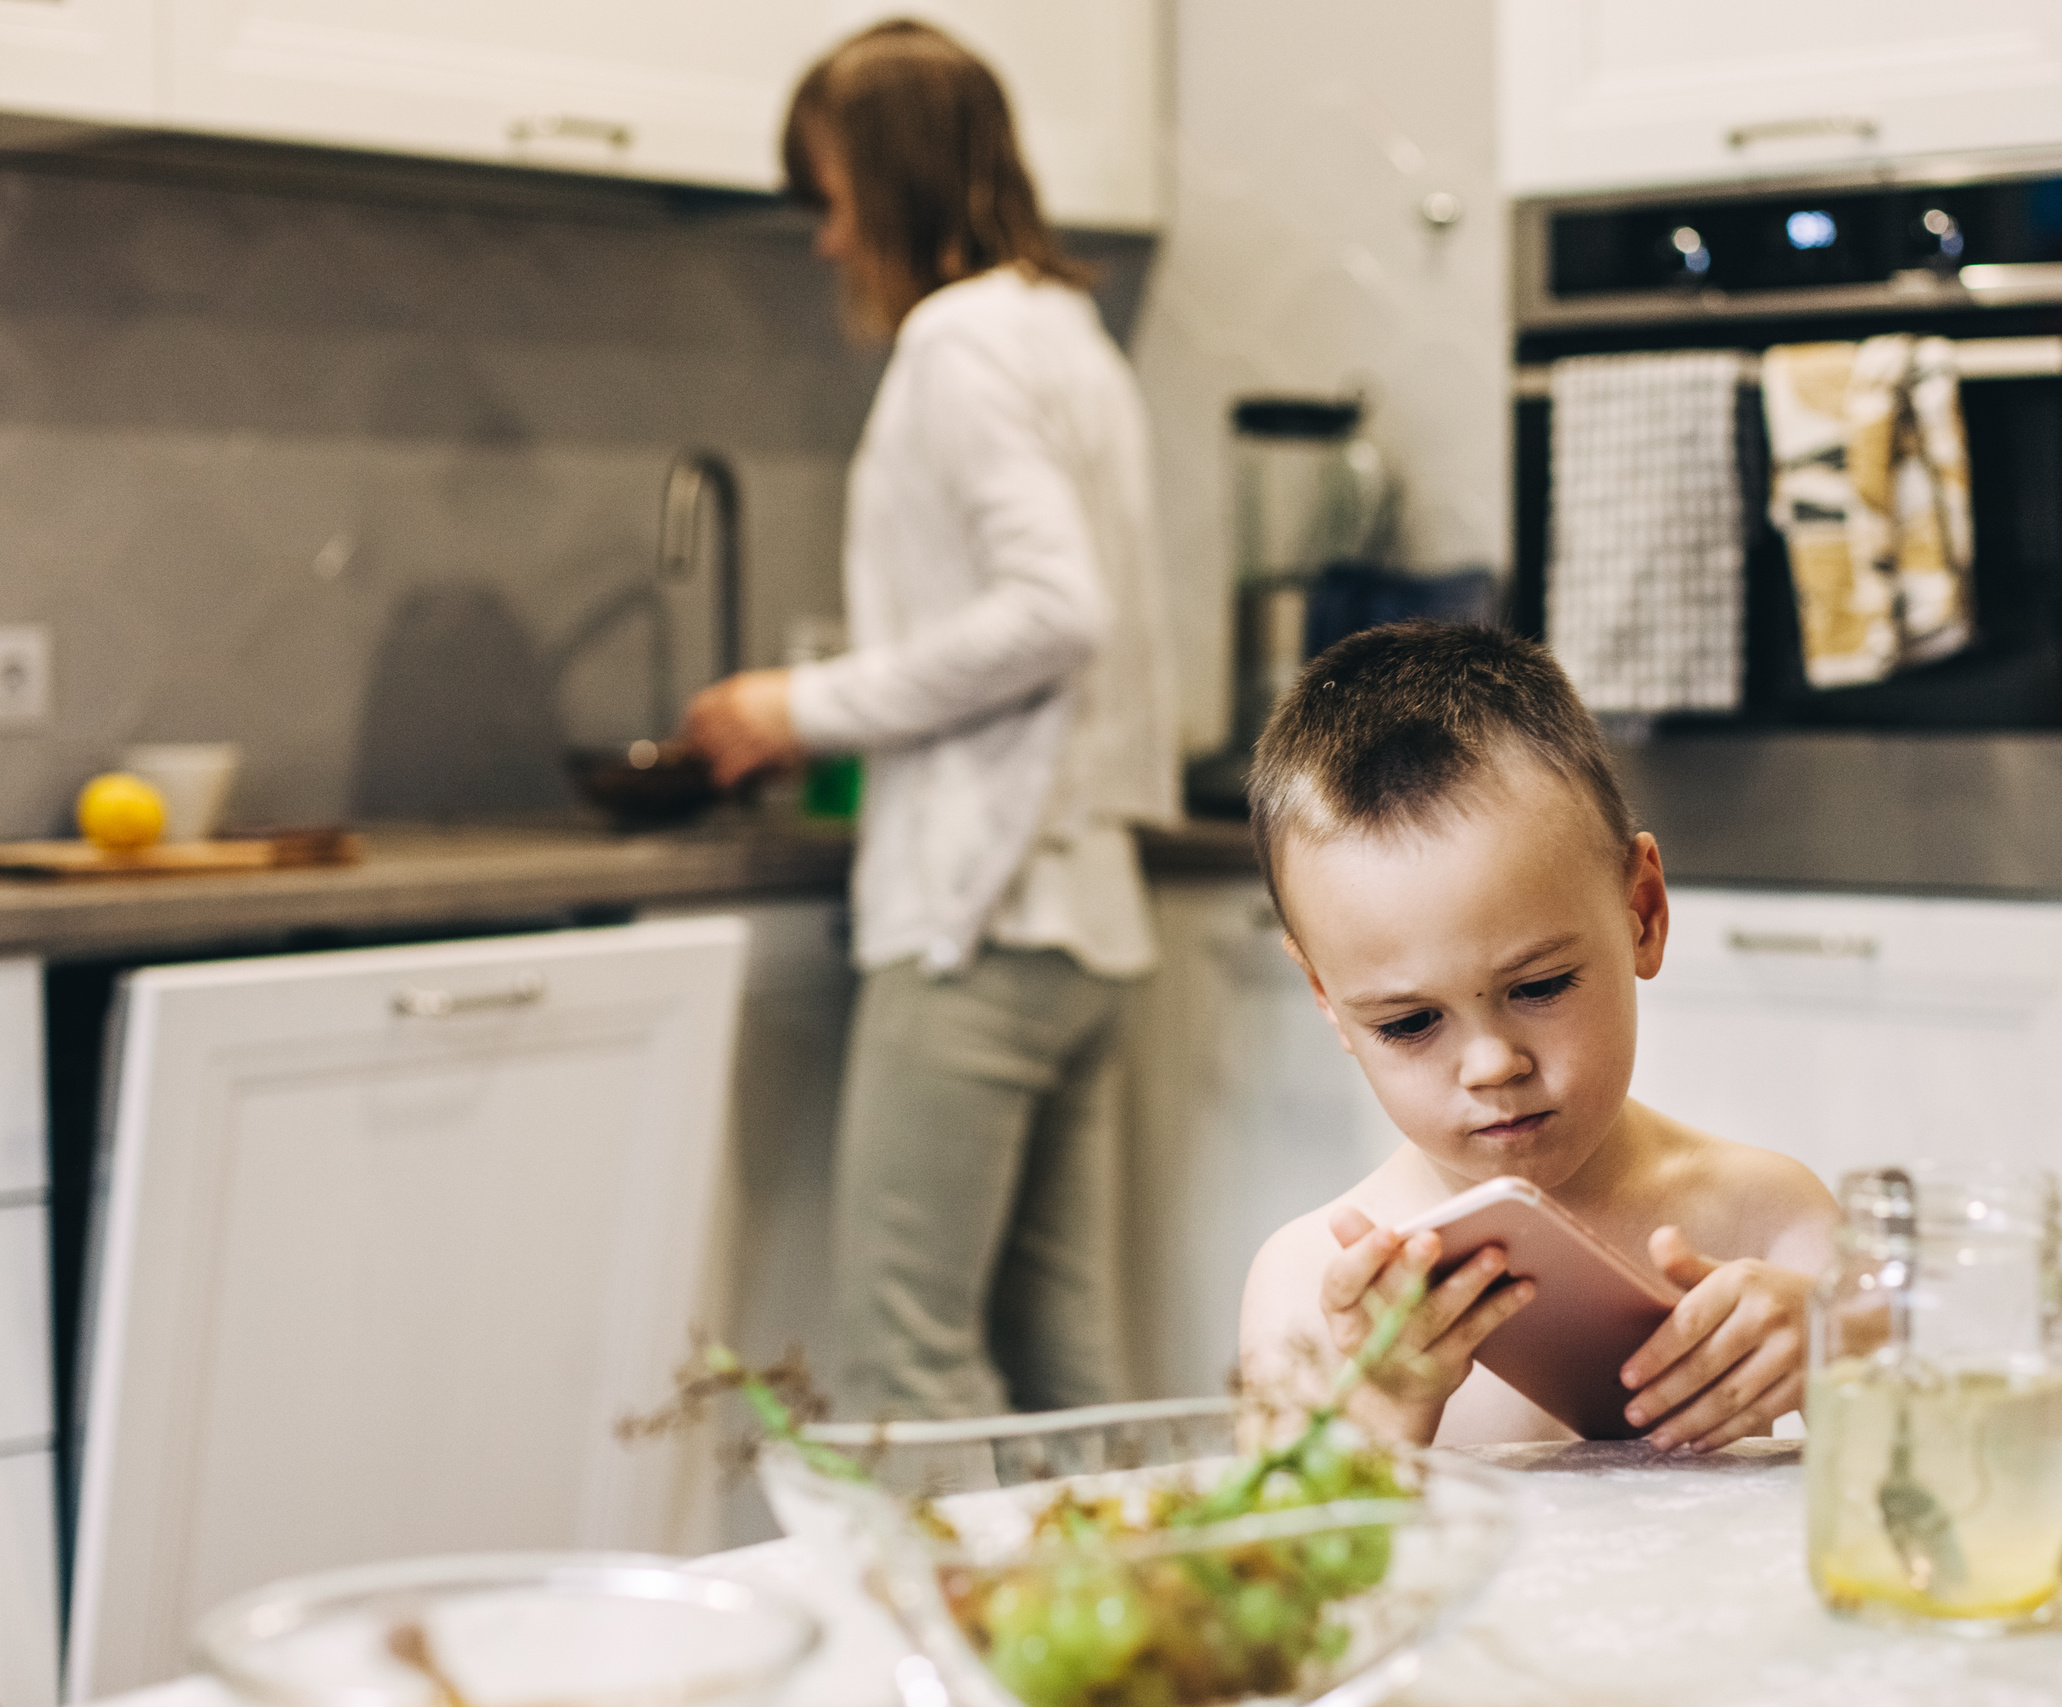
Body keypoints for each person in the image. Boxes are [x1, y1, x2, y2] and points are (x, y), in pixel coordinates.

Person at [681, 20, 1177, 1419]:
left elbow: (1054, 607)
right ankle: (1145, 1621)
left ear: (889, 185)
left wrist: (802, 704)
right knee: (1065, 1356)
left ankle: (940, 1642)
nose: (828, 241)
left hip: (983, 912)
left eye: (831, 199)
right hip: (1088, 918)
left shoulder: (955, 347)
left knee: (906, 1351)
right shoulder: (1066, 334)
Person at [1237, 622, 1839, 1449]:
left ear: (1643, 914)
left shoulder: (1772, 1218)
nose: (1492, 1065)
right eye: (1410, 1022)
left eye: (1541, 985)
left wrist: (1851, 1359)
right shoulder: (1307, 1287)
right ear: (1328, 1001)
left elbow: (1934, 1524)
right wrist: (1377, 1413)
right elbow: (1276, 1573)